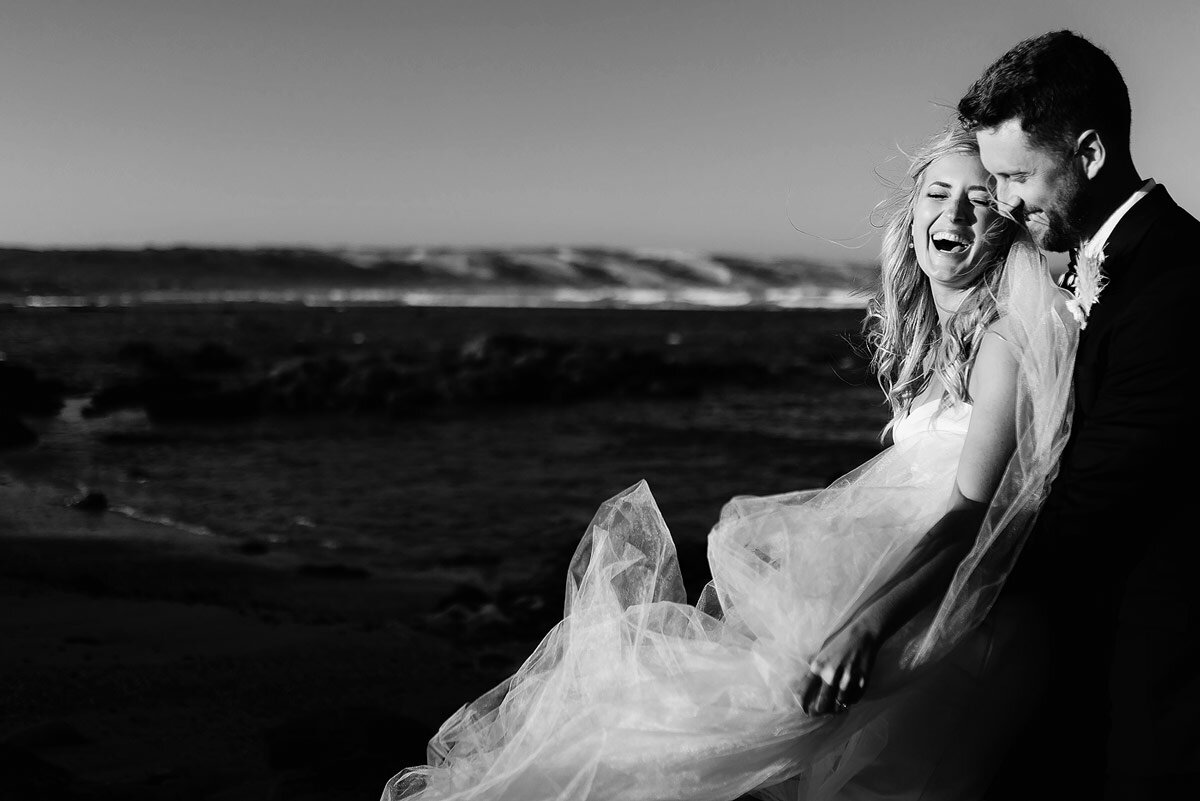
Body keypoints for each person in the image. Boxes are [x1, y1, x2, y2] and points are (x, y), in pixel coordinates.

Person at [378, 124, 1078, 801]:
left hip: (955, 628)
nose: (952, 212)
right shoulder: (935, 339)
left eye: (980, 199)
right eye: (936, 193)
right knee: (669, 726)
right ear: (912, 210)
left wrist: (863, 627)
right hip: (906, 602)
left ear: (1007, 225)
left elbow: (969, 512)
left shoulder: (1002, 342)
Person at [956, 30, 1200, 799]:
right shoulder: (1098, 269)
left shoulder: (1176, 283)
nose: (1002, 201)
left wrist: (935, 598)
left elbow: (1092, 505)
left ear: (1089, 155)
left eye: (1017, 175)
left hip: (1161, 688)